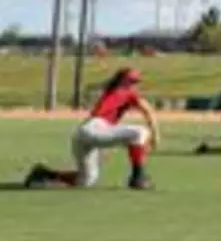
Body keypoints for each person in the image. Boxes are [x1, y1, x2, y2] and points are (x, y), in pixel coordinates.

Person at [23, 67, 158, 190]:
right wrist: (155, 135)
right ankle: (138, 178)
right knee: (141, 131)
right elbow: (148, 111)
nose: (133, 85)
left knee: (86, 181)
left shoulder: (114, 91)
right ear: (122, 80)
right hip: (95, 128)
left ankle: (44, 174)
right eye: (131, 81)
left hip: (85, 133)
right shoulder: (126, 92)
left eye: (135, 82)